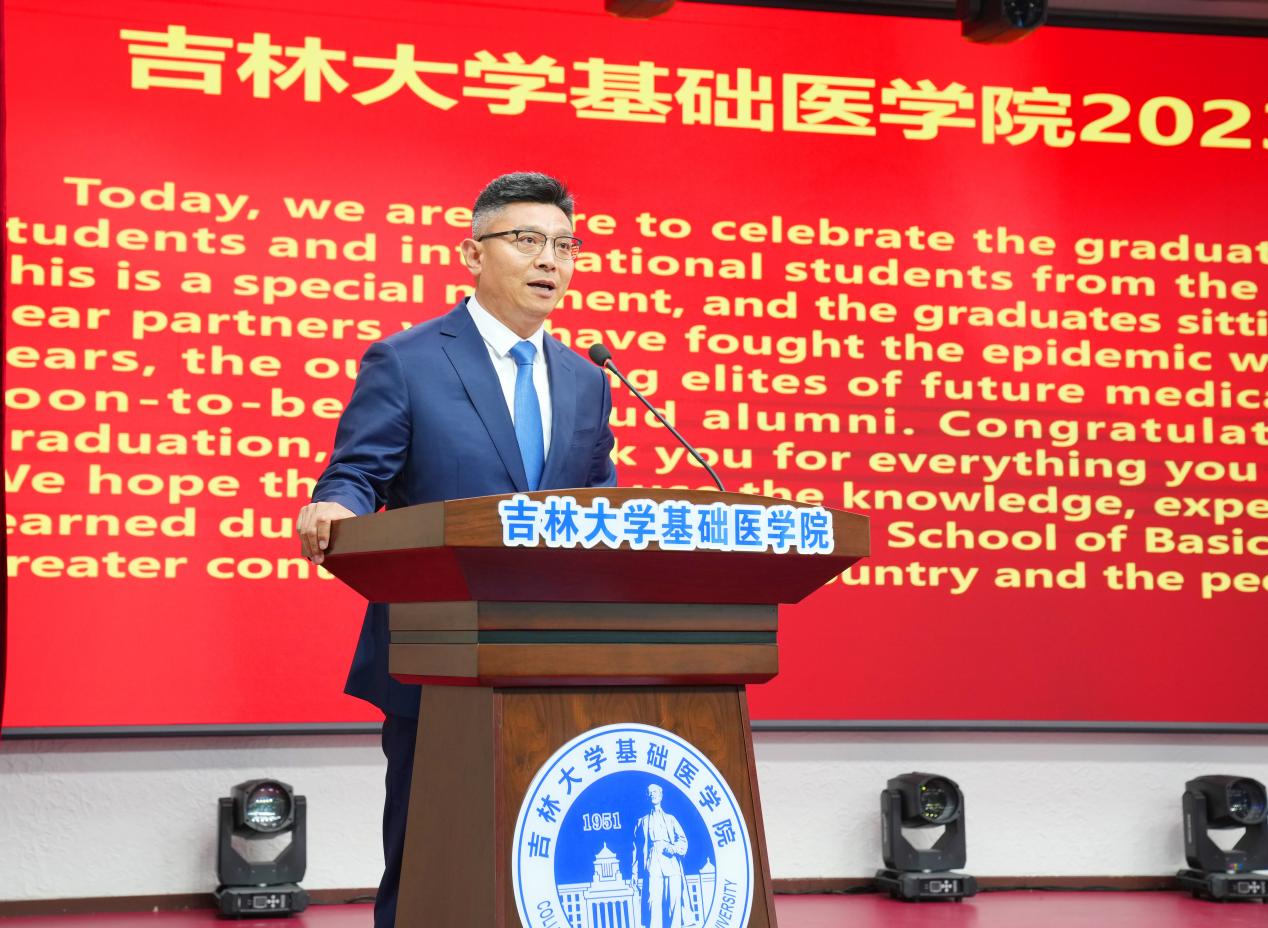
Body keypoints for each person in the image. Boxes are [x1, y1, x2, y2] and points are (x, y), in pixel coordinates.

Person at [296, 172, 617, 928]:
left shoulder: (586, 377)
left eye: (565, 245)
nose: (550, 260)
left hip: (557, 652)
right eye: (527, 240)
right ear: (473, 254)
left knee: (546, 861)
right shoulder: (407, 360)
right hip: (437, 653)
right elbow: (357, 473)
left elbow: (599, 501)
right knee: (429, 855)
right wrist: (336, 506)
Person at [632, 783, 691, 928]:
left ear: (661, 795)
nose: (653, 794)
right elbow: (636, 849)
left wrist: (674, 848)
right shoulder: (642, 821)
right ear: (647, 796)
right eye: (650, 792)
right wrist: (634, 873)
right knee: (653, 900)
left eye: (655, 792)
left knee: (674, 900)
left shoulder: (671, 819)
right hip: (653, 861)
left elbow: (683, 841)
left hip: (670, 861)